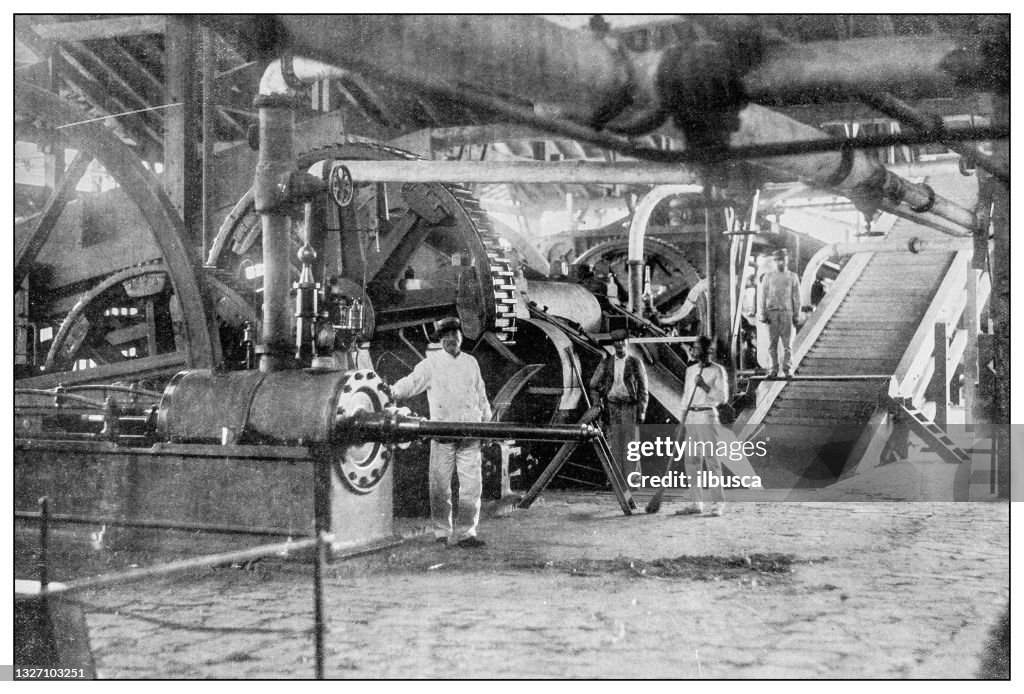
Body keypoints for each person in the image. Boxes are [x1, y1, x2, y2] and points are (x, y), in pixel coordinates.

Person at [390, 317, 492, 548]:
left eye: (454, 336)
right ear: (441, 340)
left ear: (461, 337)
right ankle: (441, 533)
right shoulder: (431, 364)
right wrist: (391, 392)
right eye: (446, 337)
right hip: (442, 435)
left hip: (470, 435)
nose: (451, 340)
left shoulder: (471, 363)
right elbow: (411, 382)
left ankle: (467, 533)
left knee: (471, 488)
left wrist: (487, 424)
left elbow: (481, 395)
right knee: (439, 487)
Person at [589, 330, 648, 484]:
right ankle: (614, 481)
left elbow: (643, 389)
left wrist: (641, 411)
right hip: (612, 407)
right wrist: (598, 405)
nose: (619, 344)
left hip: (630, 407)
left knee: (631, 445)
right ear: (613, 344)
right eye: (616, 341)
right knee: (614, 443)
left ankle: (632, 481)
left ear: (627, 342)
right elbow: (593, 385)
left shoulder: (635, 362)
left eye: (622, 341)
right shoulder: (606, 362)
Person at [758, 248, 801, 378]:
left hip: (787, 313)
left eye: (783, 259)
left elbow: (797, 297)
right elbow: (763, 296)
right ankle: (773, 369)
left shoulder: (793, 277)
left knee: (787, 344)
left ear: (787, 260)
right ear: (775, 261)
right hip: (772, 313)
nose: (780, 262)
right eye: (778, 260)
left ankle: (787, 369)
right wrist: (762, 313)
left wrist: (796, 314)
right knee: (772, 344)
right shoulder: (768, 277)